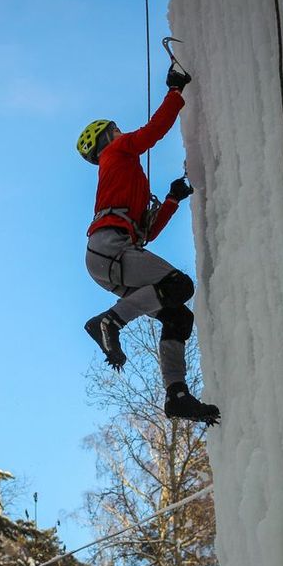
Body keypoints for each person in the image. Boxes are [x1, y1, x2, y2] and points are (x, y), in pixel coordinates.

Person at [77, 65, 220, 425]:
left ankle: (177, 394)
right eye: (115, 130)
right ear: (108, 137)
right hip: (109, 247)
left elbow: (147, 233)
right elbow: (152, 132)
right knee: (179, 285)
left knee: (178, 313)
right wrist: (175, 92)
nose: (121, 132)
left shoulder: (125, 175)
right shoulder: (118, 152)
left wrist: (171, 199)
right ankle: (109, 321)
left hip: (107, 255)